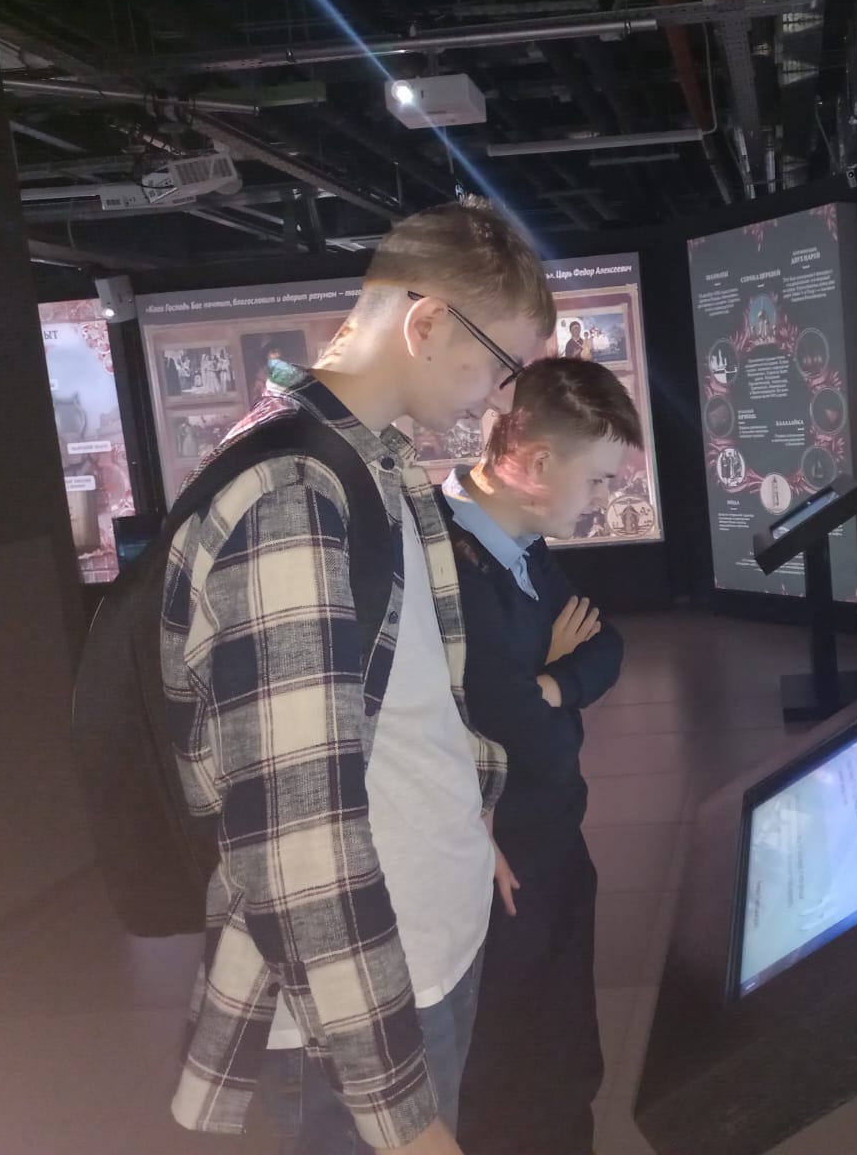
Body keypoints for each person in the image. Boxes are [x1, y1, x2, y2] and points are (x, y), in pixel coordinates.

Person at [159, 197, 554, 1155]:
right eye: (499, 366)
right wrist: (402, 1118)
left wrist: (464, 821)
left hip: (422, 940)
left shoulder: (375, 466)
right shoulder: (291, 496)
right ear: (428, 324)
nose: (500, 402)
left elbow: (415, 700)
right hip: (360, 1014)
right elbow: (299, 841)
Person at [439, 358, 642, 1155]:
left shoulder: (520, 546)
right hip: (503, 864)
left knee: (563, 1060)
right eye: (595, 481)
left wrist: (549, 683)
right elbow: (518, 739)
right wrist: (543, 697)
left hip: (550, 842)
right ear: (541, 463)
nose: (599, 500)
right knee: (511, 1075)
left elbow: (606, 645)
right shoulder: (453, 563)